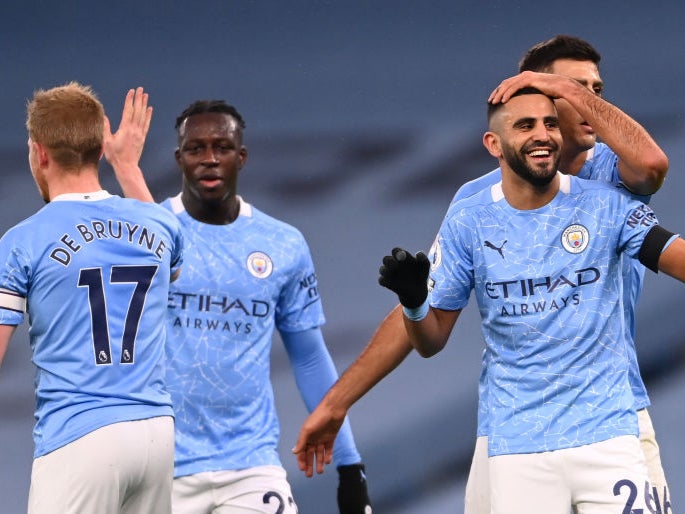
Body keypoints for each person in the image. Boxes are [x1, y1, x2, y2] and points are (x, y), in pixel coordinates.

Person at [293, 34, 672, 512]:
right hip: (513, 427)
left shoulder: (614, 179)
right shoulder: (477, 205)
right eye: (576, 88)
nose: (592, 100)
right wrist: (337, 401)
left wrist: (570, 92)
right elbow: (428, 307)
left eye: (597, 90)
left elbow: (653, 165)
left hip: (614, 413)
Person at [109, 100, 373, 514]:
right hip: (161, 467)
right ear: (179, 159)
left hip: (251, 467)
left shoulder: (283, 244)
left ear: (242, 157)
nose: (209, 159)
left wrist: (349, 463)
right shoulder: (146, 233)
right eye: (196, 149)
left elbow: (308, 357)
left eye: (222, 147)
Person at [0, 83, 184, 514]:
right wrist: (128, 165)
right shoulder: (158, 225)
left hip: (79, 437)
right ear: (101, 149)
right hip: (155, 436)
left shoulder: (23, 242)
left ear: (39, 152)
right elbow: (171, 259)